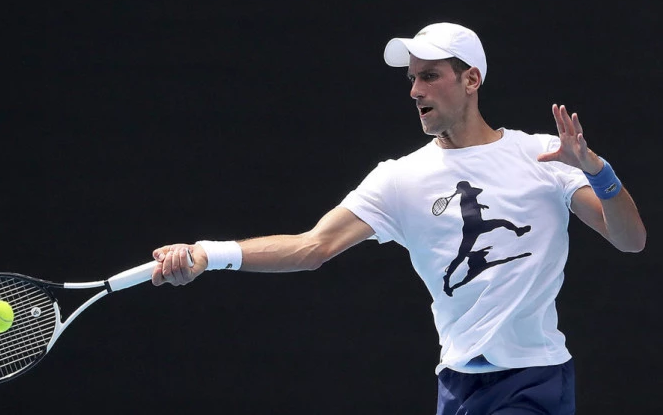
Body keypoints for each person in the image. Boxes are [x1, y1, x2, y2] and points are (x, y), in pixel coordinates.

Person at [150, 22, 646, 414]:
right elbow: (312, 247)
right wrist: (206, 254)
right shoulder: (399, 179)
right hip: (457, 385)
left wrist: (597, 171)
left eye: (429, 76)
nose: (414, 91)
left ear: (471, 79)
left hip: (534, 379)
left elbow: (630, 240)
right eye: (412, 78)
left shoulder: (544, 156)